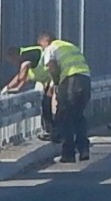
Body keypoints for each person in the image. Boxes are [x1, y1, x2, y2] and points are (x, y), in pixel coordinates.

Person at [33, 27, 94, 163]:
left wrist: (55, 83)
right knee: (78, 115)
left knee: (64, 116)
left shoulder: (51, 48)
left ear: (45, 41)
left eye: (41, 46)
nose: (42, 50)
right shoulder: (69, 46)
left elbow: (52, 67)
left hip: (71, 80)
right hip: (85, 80)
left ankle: (68, 154)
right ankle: (83, 148)